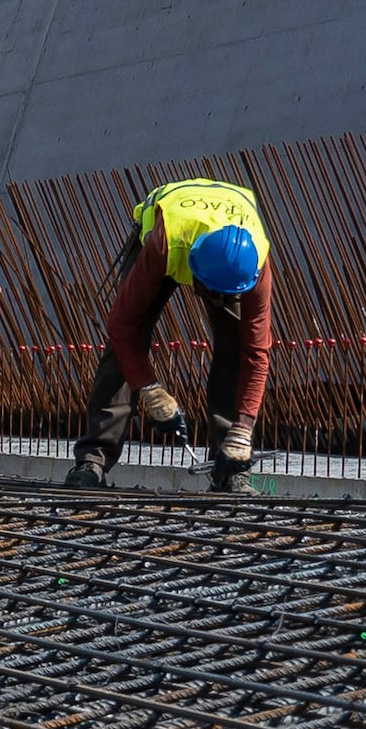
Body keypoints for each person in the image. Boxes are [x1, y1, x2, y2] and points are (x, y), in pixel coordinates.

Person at [78, 177, 273, 495]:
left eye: (228, 296)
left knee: (238, 347)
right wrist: (150, 390)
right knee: (124, 345)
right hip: (169, 228)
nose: (218, 302)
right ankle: (92, 462)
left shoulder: (254, 266)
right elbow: (122, 327)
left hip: (228, 241)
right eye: (214, 294)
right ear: (196, 274)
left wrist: (244, 427)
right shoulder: (166, 246)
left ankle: (231, 467)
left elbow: (257, 352)